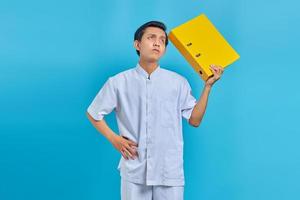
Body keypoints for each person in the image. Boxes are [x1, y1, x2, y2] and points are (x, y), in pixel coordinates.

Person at [86, 21, 224, 200]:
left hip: (169, 170)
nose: (157, 43)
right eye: (151, 38)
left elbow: (195, 120)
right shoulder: (118, 82)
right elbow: (93, 112)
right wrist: (115, 139)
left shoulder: (178, 82)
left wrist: (208, 87)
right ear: (137, 44)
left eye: (162, 40)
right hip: (134, 169)